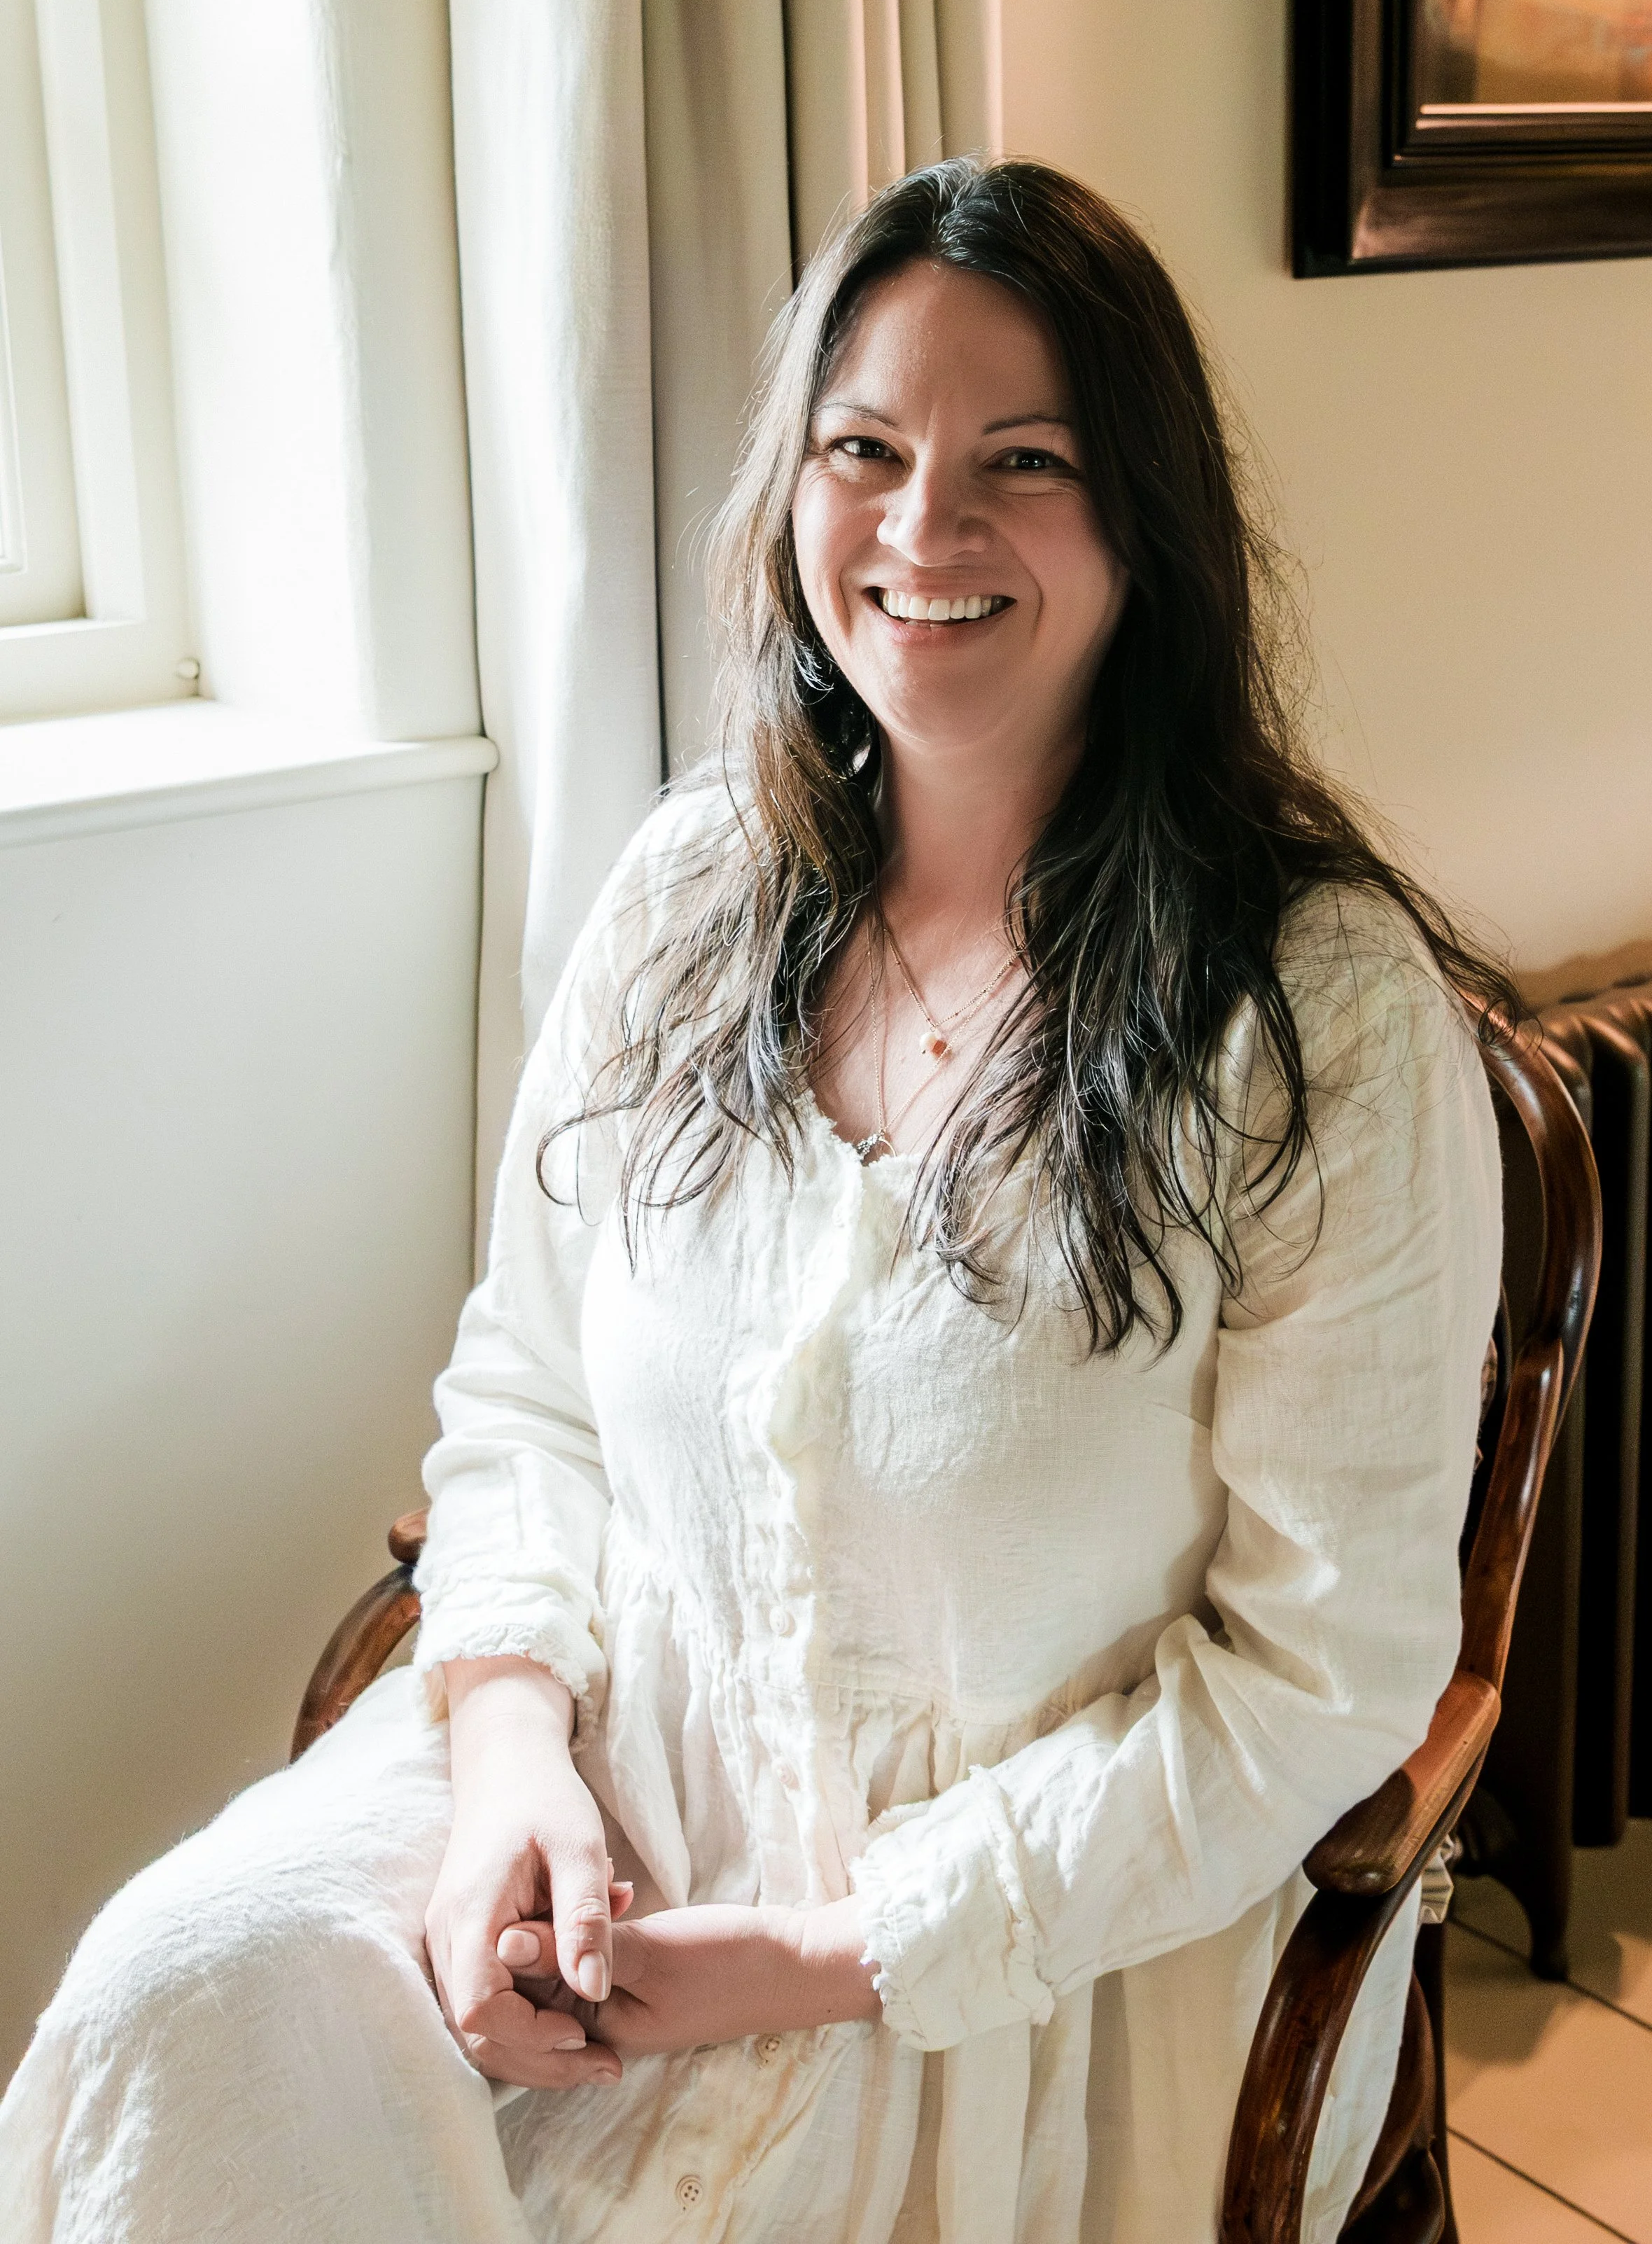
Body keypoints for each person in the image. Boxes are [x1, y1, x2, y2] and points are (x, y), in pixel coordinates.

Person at [0, 160, 1508, 2244]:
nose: (923, 531)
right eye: (863, 450)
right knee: (196, 1991)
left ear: (1145, 523)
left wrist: (812, 1954)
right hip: (617, 1774)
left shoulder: (1318, 1012)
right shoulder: (698, 887)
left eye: (1024, 463)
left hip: (1030, 1934)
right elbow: (525, 1395)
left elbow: (1319, 1679)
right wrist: (512, 1761)